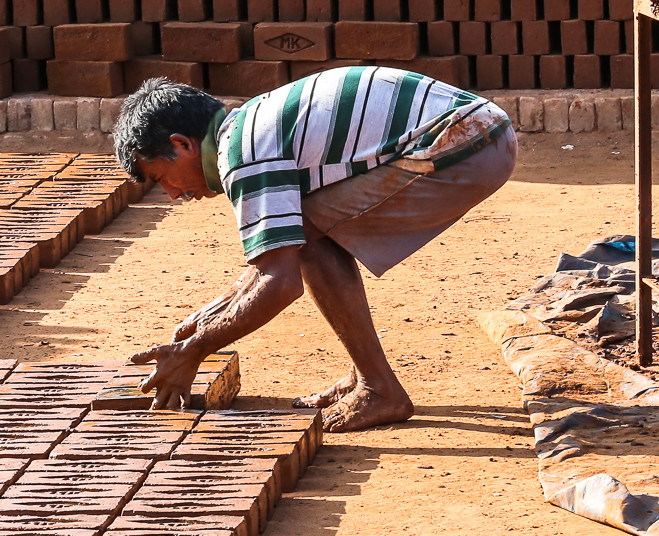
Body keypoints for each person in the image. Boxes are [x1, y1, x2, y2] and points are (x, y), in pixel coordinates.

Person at [112, 65, 517, 432]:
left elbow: (282, 280)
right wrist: (216, 311)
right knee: (303, 228)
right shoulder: (250, 126)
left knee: (306, 234)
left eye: (161, 176)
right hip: (481, 131)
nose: (172, 194)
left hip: (465, 145)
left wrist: (196, 349)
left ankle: (379, 389)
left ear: (182, 144)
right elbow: (277, 255)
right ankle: (367, 378)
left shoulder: (243, 153)